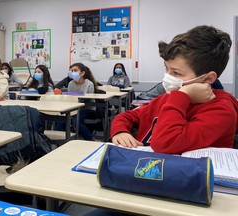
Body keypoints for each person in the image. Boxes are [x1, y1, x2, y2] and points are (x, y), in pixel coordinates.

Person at [110, 25, 238, 154]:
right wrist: (120, 131)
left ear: (208, 78)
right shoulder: (167, 98)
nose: (167, 77)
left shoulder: (221, 110)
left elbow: (165, 144)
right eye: (166, 68)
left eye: (176, 73)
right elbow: (127, 116)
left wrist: (183, 95)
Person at [68, 62, 99, 140]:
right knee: (60, 120)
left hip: (87, 108)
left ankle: (90, 139)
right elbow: (69, 98)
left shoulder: (89, 84)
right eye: (71, 71)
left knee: (76, 121)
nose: (72, 73)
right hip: (73, 107)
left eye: (75, 70)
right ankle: (62, 141)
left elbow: (88, 99)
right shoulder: (71, 83)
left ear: (82, 73)